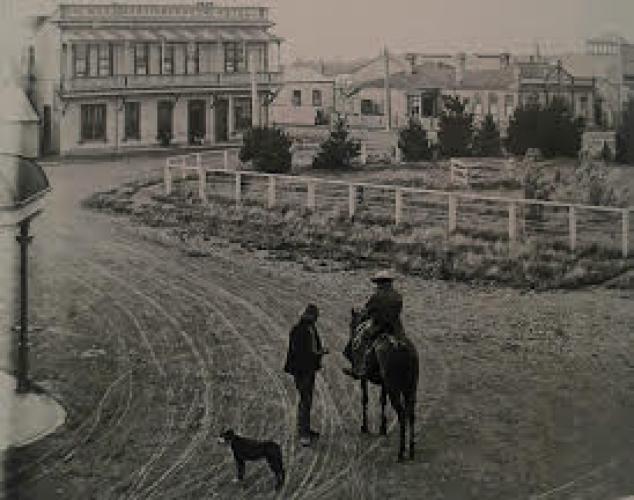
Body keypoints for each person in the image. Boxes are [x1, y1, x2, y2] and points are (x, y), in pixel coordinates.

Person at [343, 270, 403, 379]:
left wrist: (363, 314)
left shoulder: (377, 296)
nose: (377, 285)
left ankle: (358, 369)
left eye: (378, 283)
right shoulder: (398, 296)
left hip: (379, 326)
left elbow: (367, 311)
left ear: (381, 283)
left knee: (358, 342)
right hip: (395, 327)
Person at [283, 304, 328, 447]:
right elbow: (304, 353)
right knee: (305, 400)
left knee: (307, 400)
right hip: (303, 370)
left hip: (307, 369)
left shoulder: (306, 328)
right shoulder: (300, 330)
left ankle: (305, 429)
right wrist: (320, 353)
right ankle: (303, 432)